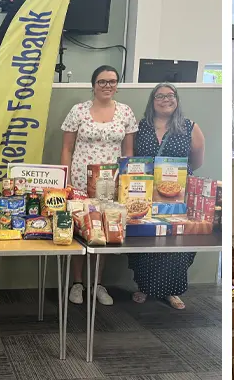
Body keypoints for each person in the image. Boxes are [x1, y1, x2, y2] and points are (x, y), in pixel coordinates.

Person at [61, 65, 138, 305]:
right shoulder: (78, 111)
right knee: (80, 231)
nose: (107, 85)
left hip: (111, 185)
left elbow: (128, 153)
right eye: (102, 81)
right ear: (93, 85)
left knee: (105, 233)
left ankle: (97, 283)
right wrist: (67, 182)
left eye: (112, 81)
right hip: (81, 182)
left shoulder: (125, 112)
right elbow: (66, 148)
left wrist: (128, 186)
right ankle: (77, 283)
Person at [129, 82, 205, 309]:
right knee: (147, 238)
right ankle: (144, 286)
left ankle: (172, 291)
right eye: (160, 96)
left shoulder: (190, 127)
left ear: (177, 99)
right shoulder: (140, 127)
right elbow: (132, 158)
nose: (166, 99)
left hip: (178, 196)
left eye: (170, 95)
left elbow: (197, 162)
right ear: (152, 101)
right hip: (144, 194)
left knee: (175, 240)